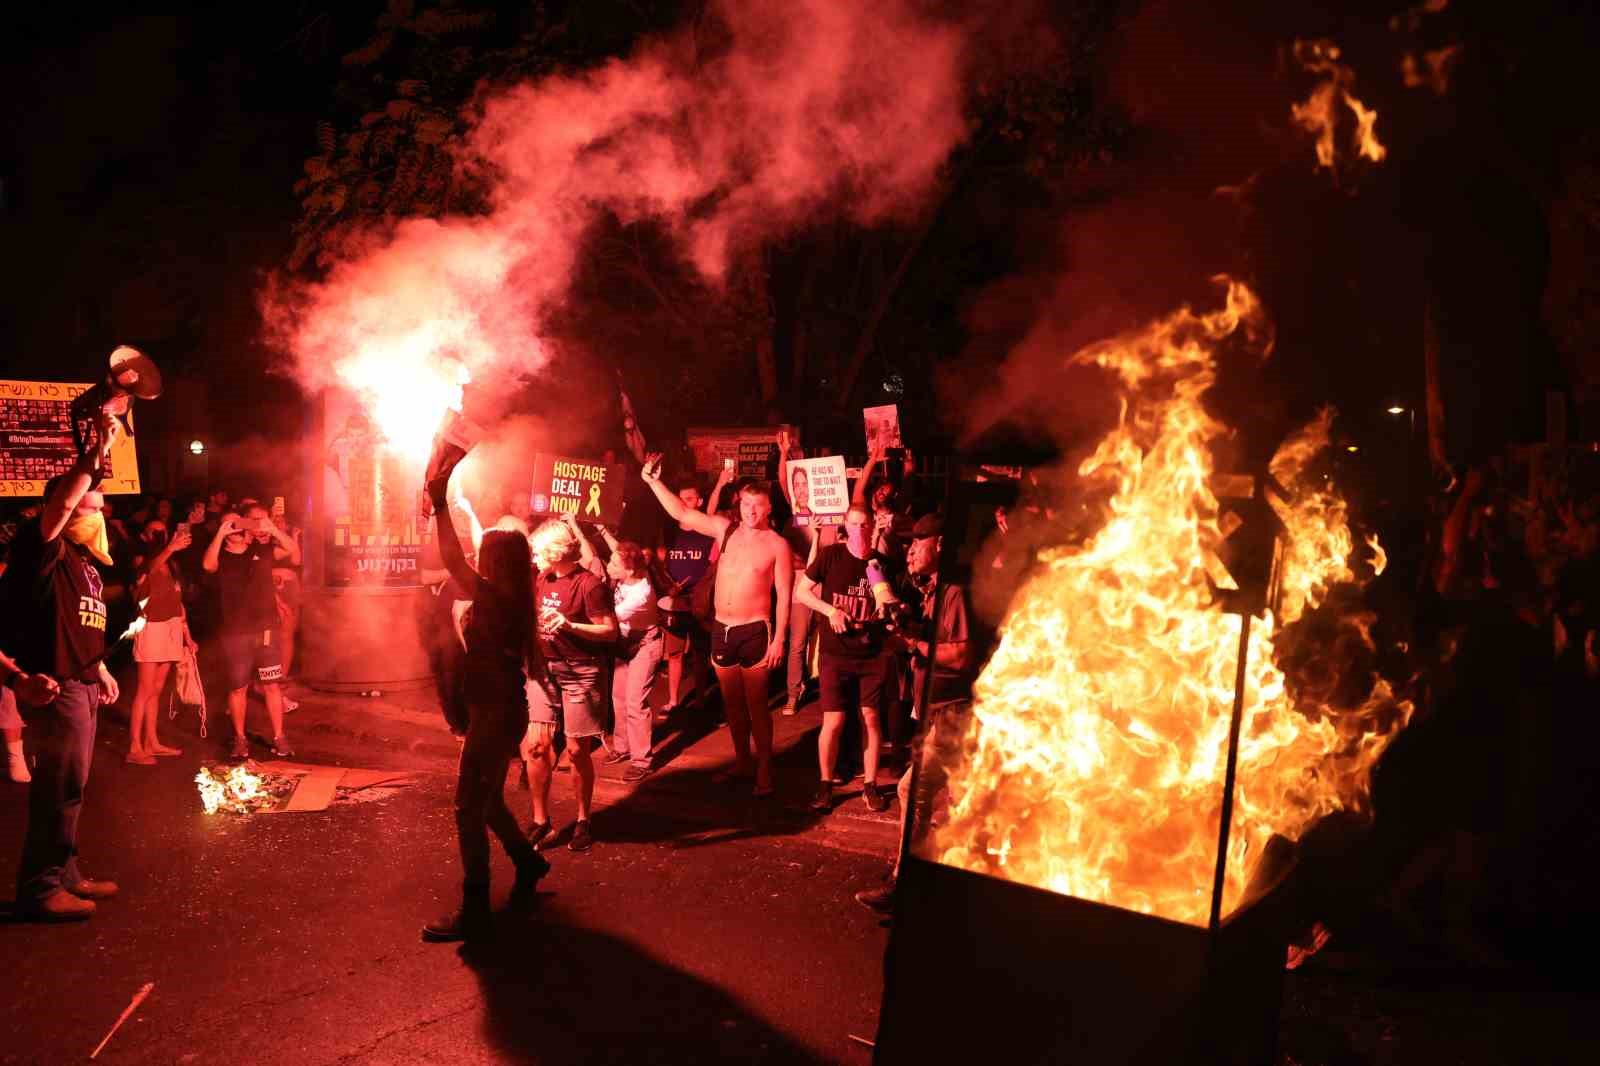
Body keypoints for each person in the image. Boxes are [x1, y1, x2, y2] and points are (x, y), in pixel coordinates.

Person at [420, 454, 550, 942]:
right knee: (489, 801)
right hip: (496, 711)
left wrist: (438, 503)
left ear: (495, 562)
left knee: (466, 808)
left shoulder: (496, 598)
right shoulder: (511, 595)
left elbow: (454, 559)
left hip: (495, 716)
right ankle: (528, 862)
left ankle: (475, 908)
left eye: (486, 553)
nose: (478, 558)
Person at [0, 412, 124, 921]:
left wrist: (101, 671)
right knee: (57, 788)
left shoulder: (85, 563)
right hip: (55, 691)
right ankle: (40, 887)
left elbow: (82, 628)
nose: (99, 509)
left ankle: (66, 872)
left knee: (74, 786)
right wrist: (92, 458)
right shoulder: (43, 549)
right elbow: (65, 500)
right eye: (90, 503)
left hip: (84, 683)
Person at [641, 454, 792, 796]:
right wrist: (652, 482)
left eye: (759, 505)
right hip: (721, 631)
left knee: (756, 706)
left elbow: (784, 594)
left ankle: (764, 770)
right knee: (732, 704)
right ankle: (742, 762)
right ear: (740, 505)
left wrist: (779, 638)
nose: (751, 511)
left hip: (754, 631)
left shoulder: (777, 546)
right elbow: (681, 513)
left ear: (769, 509)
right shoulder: (725, 530)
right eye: (747, 504)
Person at [855, 515, 973, 912]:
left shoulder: (953, 592)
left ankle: (905, 882)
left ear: (940, 544)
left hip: (950, 713)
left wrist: (915, 642)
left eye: (919, 543)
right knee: (957, 799)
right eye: (908, 544)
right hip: (934, 711)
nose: (910, 551)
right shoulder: (929, 593)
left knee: (915, 789)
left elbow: (958, 654)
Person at [523, 519, 617, 852]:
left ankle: (582, 819)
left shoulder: (589, 584)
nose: (533, 557)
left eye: (538, 551)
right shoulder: (542, 578)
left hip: (580, 670)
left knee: (577, 751)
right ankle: (540, 821)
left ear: (555, 551)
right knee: (536, 747)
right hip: (543, 670)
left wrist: (569, 625)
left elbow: (609, 630)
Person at [794, 505, 895, 813]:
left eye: (865, 525)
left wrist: (885, 611)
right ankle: (825, 785)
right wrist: (831, 611)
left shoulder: (880, 563)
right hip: (835, 653)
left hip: (871, 653)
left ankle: (870, 785)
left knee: (871, 719)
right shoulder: (831, 556)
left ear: (872, 527)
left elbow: (889, 604)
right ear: (845, 527)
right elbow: (803, 592)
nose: (859, 530)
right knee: (834, 721)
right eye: (854, 524)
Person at [203, 503, 300, 760]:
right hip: (235, 632)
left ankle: (280, 737)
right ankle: (240, 739)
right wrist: (220, 534)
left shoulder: (262, 548)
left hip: (266, 629)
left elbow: (292, 551)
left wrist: (273, 530)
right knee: (238, 688)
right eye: (230, 524)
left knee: (272, 685)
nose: (236, 528)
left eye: (239, 523)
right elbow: (207, 565)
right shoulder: (220, 555)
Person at [657, 466, 733, 715]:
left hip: (701, 603)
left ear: (699, 502)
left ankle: (703, 700)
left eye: (689, 499)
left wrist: (721, 483)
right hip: (677, 603)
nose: (684, 503)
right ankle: (673, 700)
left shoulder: (707, 529)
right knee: (675, 654)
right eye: (680, 499)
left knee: (701, 654)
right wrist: (669, 586)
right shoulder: (669, 531)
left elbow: (712, 513)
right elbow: (661, 562)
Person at [125, 519, 192, 764]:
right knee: (144, 689)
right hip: (151, 627)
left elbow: (179, 602)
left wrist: (188, 636)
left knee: (157, 690)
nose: (161, 535)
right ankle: (134, 747)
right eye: (155, 532)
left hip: (171, 627)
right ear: (145, 535)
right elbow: (148, 572)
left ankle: (151, 742)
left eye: (164, 531)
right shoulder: (142, 561)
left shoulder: (171, 565)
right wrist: (170, 549)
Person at [600, 535, 664, 782]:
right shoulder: (632, 571)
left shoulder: (641, 595)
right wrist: (603, 530)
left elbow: (608, 619)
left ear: (628, 569)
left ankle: (642, 760)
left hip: (645, 645)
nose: (608, 566)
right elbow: (620, 549)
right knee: (619, 697)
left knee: (636, 703)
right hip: (626, 643)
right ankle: (622, 746)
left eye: (613, 564)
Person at [776, 431, 825, 716]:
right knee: (797, 641)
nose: (802, 489)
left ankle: (831, 692)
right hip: (799, 583)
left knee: (830, 641)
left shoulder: (830, 513)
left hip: (825, 582)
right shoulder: (795, 515)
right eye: (798, 485)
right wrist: (783, 454)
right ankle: (793, 693)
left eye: (806, 484)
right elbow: (784, 481)